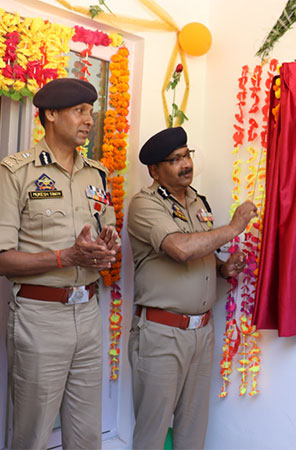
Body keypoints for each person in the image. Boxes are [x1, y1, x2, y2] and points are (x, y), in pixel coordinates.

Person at [0, 78, 119, 449]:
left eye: (91, 112)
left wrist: (106, 246)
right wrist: (64, 257)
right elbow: (3, 259)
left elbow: (107, 232)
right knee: (33, 433)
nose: (89, 119)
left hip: (88, 314)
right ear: (50, 115)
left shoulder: (96, 174)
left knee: (86, 433)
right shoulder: (16, 172)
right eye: (80, 111)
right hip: (39, 317)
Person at [127, 126, 258, 449]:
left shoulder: (199, 201)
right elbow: (181, 248)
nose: (185, 164)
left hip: (202, 333)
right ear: (154, 171)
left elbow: (201, 254)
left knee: (193, 429)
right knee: (153, 431)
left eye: (187, 155)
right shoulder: (144, 205)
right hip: (162, 334)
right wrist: (234, 228)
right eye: (175, 159)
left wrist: (223, 268)